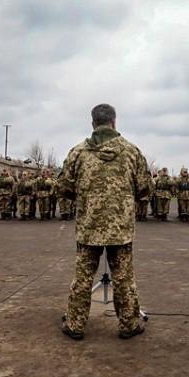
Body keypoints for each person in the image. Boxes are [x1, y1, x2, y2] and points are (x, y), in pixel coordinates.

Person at [59, 103, 151, 340]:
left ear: (93, 123)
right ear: (114, 122)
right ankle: (129, 324)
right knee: (124, 277)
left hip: (89, 228)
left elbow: (64, 187)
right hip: (120, 229)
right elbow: (144, 189)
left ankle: (75, 324)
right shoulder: (132, 152)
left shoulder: (78, 153)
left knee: (82, 276)